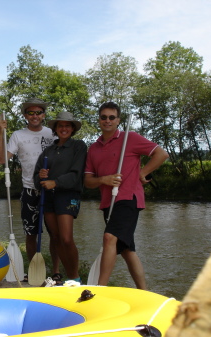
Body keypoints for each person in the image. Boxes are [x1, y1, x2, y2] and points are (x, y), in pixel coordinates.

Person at [84, 102, 169, 289]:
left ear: (118, 120)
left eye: (111, 117)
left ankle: (100, 289)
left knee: (109, 238)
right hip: (108, 201)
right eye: (103, 117)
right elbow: (88, 181)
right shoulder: (94, 148)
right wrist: (103, 180)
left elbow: (161, 154)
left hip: (128, 198)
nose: (107, 121)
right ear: (98, 119)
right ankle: (144, 292)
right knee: (127, 250)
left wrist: (142, 173)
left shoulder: (129, 138)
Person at [0, 97, 61, 283]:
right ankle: (35, 270)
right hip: (29, 191)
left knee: (55, 234)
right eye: (31, 113)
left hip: (51, 191)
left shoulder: (52, 133)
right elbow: (3, 160)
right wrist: (0, 133)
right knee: (31, 234)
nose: (35, 116)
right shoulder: (18, 135)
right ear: (25, 115)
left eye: (38, 112)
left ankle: (55, 272)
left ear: (43, 115)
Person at [33, 111, 87, 283]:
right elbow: (36, 179)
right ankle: (65, 278)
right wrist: (40, 176)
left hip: (68, 195)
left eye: (67, 125)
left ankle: (75, 277)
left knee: (66, 238)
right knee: (55, 238)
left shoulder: (79, 146)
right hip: (48, 197)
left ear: (72, 128)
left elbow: (76, 174)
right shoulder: (48, 151)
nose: (64, 128)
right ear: (55, 129)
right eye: (60, 125)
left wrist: (55, 182)